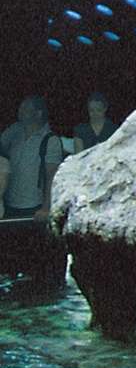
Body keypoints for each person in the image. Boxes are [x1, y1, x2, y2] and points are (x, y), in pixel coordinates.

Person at [1, 96, 67, 288]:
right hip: (11, 206)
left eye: (25, 109)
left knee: (34, 258)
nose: (19, 112)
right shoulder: (13, 132)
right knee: (11, 260)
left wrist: (46, 207)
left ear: (38, 113)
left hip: (34, 207)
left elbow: (52, 176)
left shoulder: (50, 140)